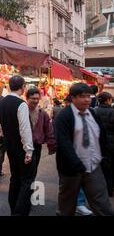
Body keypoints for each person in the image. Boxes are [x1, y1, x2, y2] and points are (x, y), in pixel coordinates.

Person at [54, 83, 114, 216]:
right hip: (71, 169)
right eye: (82, 96)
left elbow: (101, 136)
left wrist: (104, 156)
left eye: (88, 96)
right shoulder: (64, 116)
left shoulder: (93, 113)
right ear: (73, 98)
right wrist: (76, 164)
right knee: (66, 206)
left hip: (94, 166)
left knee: (103, 205)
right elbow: (63, 143)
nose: (87, 99)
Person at [0, 75, 35, 216]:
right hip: (21, 147)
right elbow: (25, 129)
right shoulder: (21, 104)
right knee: (26, 180)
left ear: (9, 86)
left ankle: (13, 208)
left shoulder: (1, 103)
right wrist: (29, 150)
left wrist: (1, 133)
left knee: (15, 177)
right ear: (23, 87)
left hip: (9, 145)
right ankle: (20, 212)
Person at [25, 87, 56, 179]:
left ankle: (29, 187)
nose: (35, 101)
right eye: (33, 98)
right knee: (25, 171)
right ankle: (26, 188)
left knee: (33, 169)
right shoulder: (22, 112)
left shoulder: (42, 113)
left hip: (37, 145)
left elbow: (49, 130)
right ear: (27, 98)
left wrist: (52, 145)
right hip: (24, 145)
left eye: (37, 99)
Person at [95, 92, 114, 197]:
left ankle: (103, 189)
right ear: (108, 100)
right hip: (111, 143)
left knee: (101, 167)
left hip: (98, 142)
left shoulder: (94, 111)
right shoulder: (112, 112)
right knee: (110, 168)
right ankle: (109, 189)